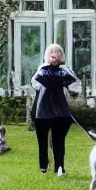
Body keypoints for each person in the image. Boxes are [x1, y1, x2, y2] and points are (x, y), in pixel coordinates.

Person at [30, 43, 78, 176]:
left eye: (57, 51)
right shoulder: (42, 69)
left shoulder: (64, 70)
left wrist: (69, 88)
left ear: (61, 56)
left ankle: (60, 167)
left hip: (60, 113)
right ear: (47, 55)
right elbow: (35, 84)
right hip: (42, 112)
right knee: (42, 142)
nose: (54, 54)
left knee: (59, 141)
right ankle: (43, 166)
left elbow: (74, 85)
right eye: (52, 51)